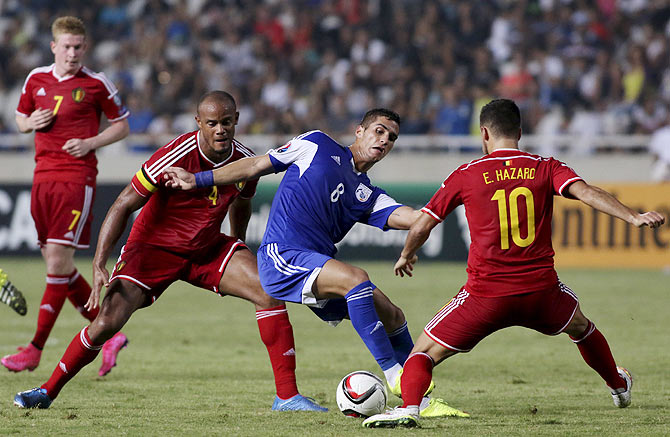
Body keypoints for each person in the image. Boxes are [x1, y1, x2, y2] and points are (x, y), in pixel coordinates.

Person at [362, 99, 666, 428]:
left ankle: (409, 409)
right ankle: (618, 386)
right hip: (541, 294)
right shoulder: (546, 166)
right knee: (581, 327)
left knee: (421, 353)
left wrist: (407, 253)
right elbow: (588, 193)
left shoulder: (466, 174)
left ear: (484, 134)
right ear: (519, 132)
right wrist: (633, 216)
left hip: (484, 297)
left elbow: (423, 223)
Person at [13, 91, 325, 412]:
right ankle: (47, 391)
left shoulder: (245, 161)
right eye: (213, 123)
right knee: (107, 322)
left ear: (237, 121)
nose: (221, 129)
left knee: (268, 290)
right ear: (199, 123)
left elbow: (242, 202)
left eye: (227, 122)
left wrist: (237, 241)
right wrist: (98, 261)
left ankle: (287, 397)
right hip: (151, 251)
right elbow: (123, 203)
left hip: (205, 248)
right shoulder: (175, 155)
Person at [163, 108, 469, 418]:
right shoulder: (317, 144)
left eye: (391, 138)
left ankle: (420, 401)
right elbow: (256, 164)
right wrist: (197, 179)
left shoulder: (367, 194)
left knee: (391, 314)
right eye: (378, 131)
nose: (384, 140)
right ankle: (394, 376)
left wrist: (464, 197)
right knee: (356, 278)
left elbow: (417, 218)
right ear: (359, 130)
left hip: (315, 265)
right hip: (281, 256)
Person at [3, 16, 130, 376]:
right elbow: (19, 118)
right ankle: (110, 336)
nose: (72, 53)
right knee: (59, 267)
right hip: (41, 177)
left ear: (84, 48)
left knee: (58, 266)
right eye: (67, 47)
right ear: (53, 47)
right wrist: (30, 123)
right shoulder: (36, 79)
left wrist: (91, 142)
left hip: (76, 180)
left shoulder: (96, 84)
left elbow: (122, 125)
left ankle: (35, 349)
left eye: (78, 47)